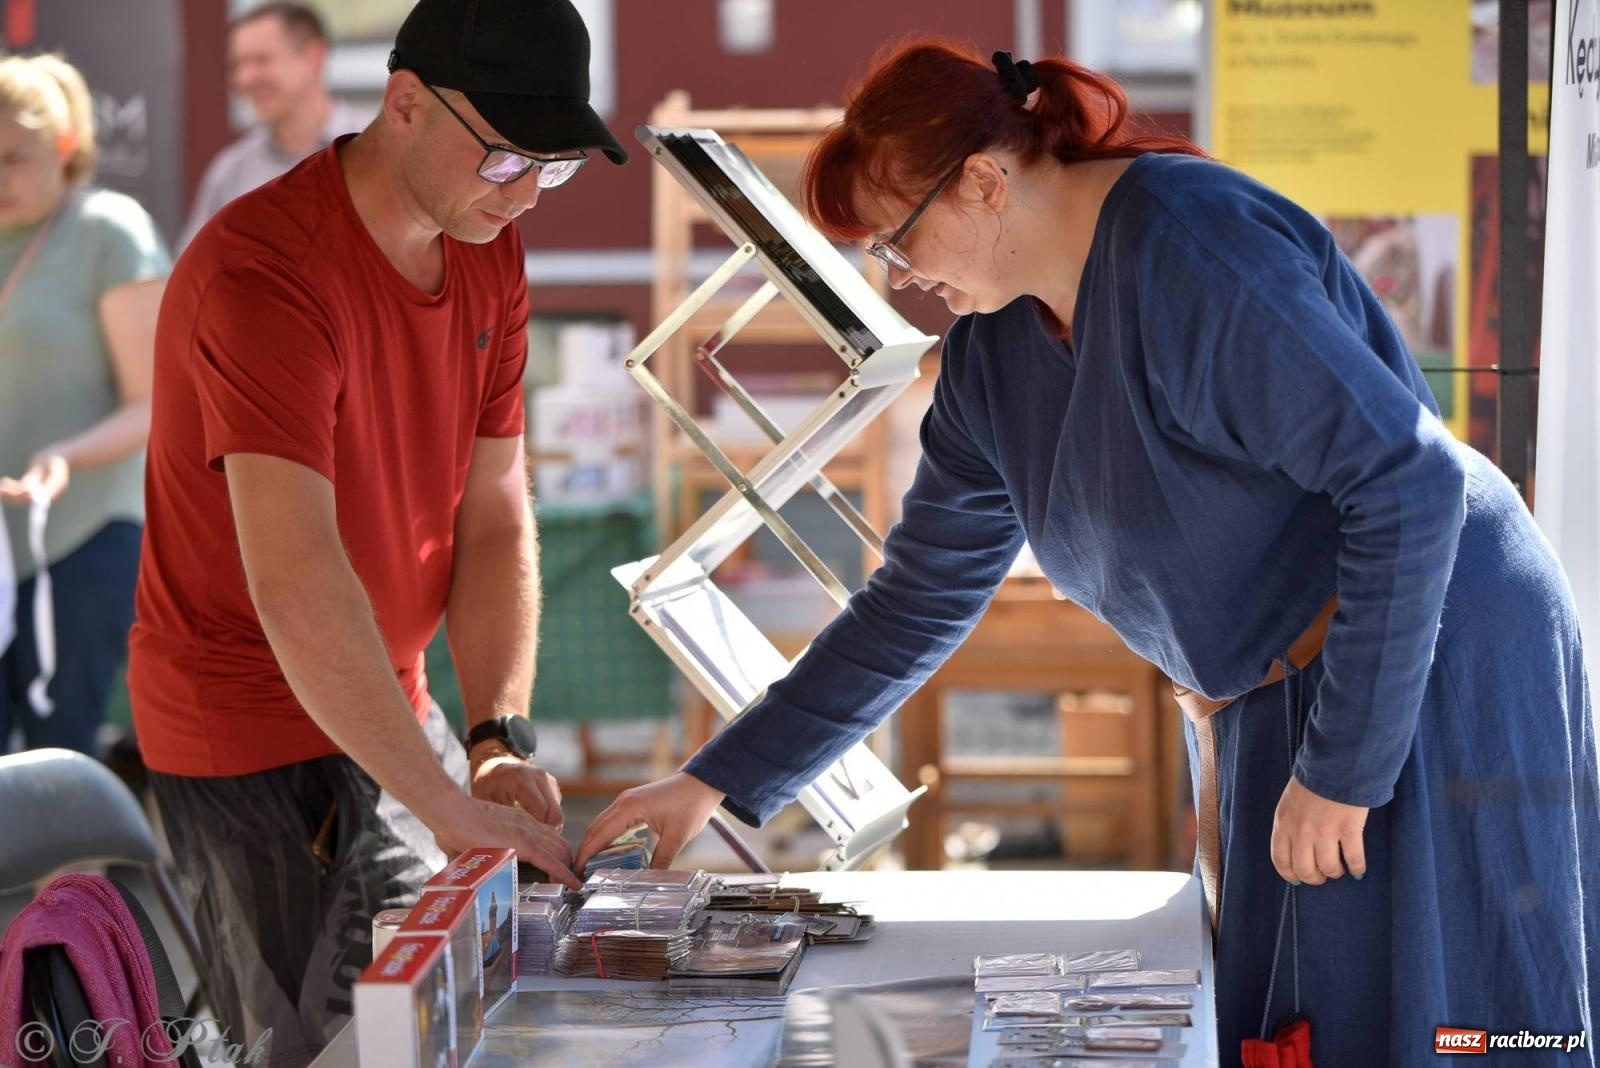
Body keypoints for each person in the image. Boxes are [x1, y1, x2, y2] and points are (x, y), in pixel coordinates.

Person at [579, 39, 1600, 1066]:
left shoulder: (1193, 252)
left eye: (897, 240)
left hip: (1428, 646)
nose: (899, 276)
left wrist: (1343, 769)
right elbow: (915, 601)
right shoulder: (990, 355)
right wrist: (713, 781)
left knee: (1448, 1022)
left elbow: (1406, 482)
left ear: (982, 181)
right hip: (1279, 693)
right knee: (1301, 1032)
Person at [127, 0, 626, 1061]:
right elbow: (297, 579)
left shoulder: (489, 245)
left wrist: (495, 739)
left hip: (389, 704)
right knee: (327, 1048)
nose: (528, 192)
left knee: (458, 1021)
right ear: (404, 102)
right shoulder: (263, 275)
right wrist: (446, 798)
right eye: (506, 158)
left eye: (557, 165)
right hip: (246, 734)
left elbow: (494, 516)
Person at [0, 54, 167, 757]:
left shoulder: (109, 230)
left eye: (12, 157)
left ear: (64, 148)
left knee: (57, 755)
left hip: (82, 537)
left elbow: (155, 403)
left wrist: (62, 456)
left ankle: (72, 876)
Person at [175, 1, 366, 251]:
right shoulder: (230, 172)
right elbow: (191, 273)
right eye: (237, 65)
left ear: (314, 57)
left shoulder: (376, 149)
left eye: (261, 60)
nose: (244, 78)